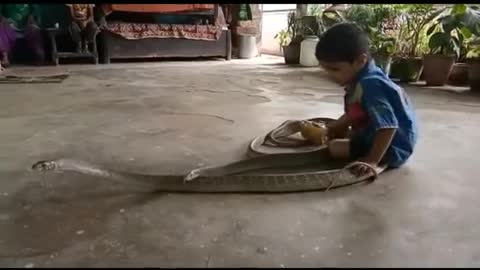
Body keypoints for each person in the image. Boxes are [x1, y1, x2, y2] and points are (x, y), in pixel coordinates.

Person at [309, 22, 418, 177]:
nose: (329, 75)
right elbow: (356, 111)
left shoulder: (370, 85)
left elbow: (389, 126)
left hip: (394, 147)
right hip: (381, 134)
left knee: (334, 147)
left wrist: (371, 161)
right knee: (335, 130)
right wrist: (334, 127)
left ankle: (376, 155)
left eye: (334, 69)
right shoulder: (363, 75)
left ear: (360, 61)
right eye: (325, 69)